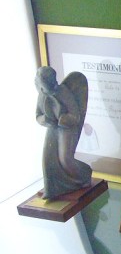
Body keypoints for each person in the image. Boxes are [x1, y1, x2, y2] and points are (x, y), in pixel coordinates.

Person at [35, 66, 92, 199]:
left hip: (67, 128)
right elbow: (38, 115)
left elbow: (75, 115)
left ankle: (83, 176)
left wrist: (62, 119)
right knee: (48, 159)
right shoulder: (42, 94)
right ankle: (52, 189)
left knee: (65, 159)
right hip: (52, 128)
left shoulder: (63, 92)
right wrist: (45, 120)